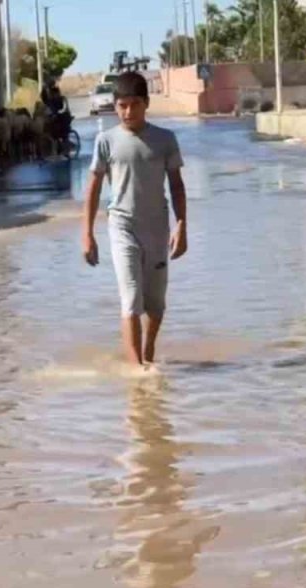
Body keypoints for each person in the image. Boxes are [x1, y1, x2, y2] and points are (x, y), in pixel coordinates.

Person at [82, 72, 187, 368]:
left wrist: (182, 226)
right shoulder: (106, 141)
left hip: (157, 228)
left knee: (155, 304)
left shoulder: (165, 140)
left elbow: (176, 185)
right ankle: (136, 372)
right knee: (130, 299)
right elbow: (94, 188)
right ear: (115, 106)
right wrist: (87, 234)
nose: (128, 111)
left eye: (135, 104)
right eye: (122, 105)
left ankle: (149, 348)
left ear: (146, 104)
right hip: (122, 227)